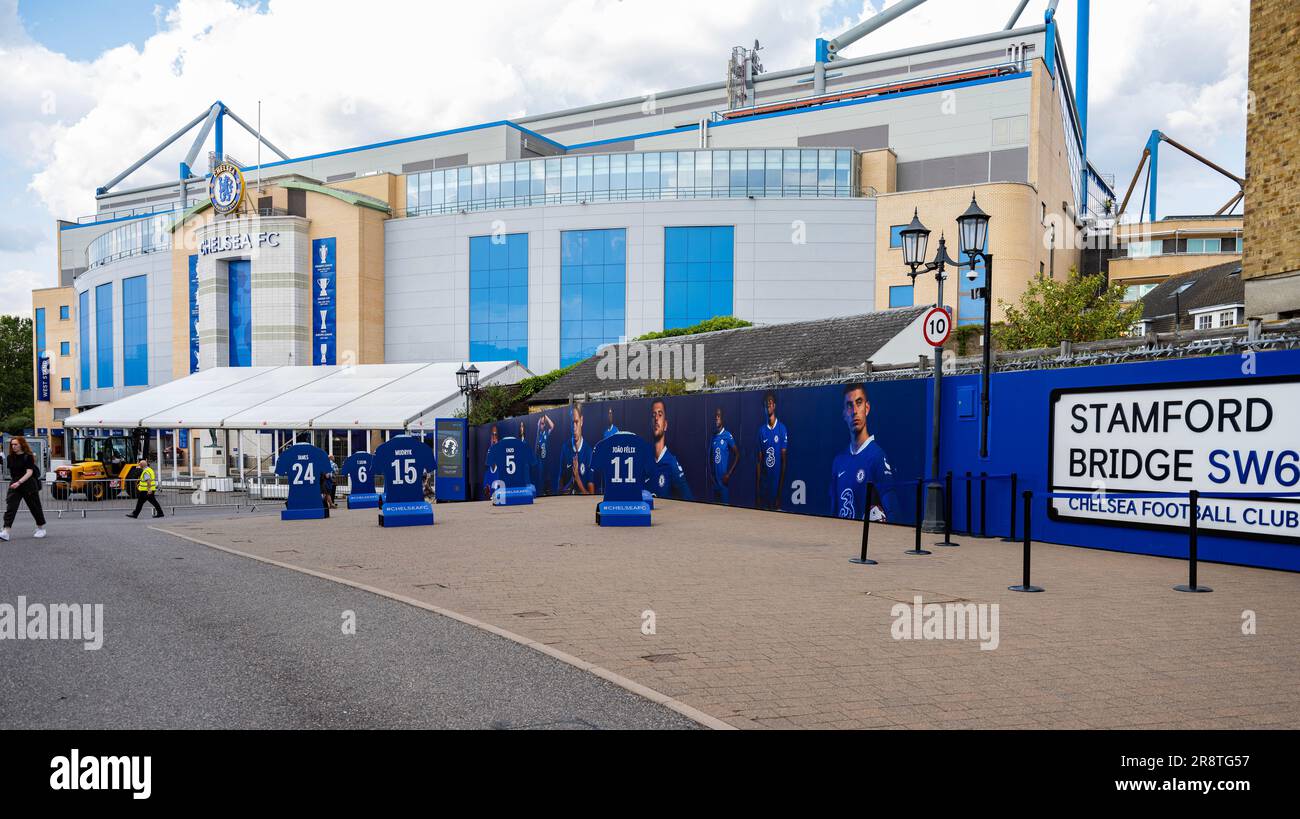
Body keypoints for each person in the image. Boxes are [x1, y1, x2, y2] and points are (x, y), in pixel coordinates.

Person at [831, 383, 899, 522]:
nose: (855, 410)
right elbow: (833, 512)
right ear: (844, 413)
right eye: (849, 405)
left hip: (865, 542)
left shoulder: (877, 457)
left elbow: (893, 512)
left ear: (867, 408)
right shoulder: (838, 461)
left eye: (859, 403)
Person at [2, 436, 47, 540]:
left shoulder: (28, 456)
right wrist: (15, 483)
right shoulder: (10, 457)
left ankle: (41, 529)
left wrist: (19, 482)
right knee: (11, 508)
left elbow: (29, 472)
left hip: (28, 484)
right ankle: (6, 531)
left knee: (35, 507)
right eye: (12, 444)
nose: (13, 446)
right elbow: (13, 473)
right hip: (15, 484)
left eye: (16, 444)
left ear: (21, 444)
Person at [646, 398, 692, 500]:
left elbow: (689, 501)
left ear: (665, 425)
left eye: (660, 414)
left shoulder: (672, 464)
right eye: (654, 415)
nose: (656, 418)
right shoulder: (645, 461)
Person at [755, 391, 788, 511]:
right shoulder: (761, 431)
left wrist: (779, 492)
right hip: (764, 488)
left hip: (776, 489)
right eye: (766, 403)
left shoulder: (782, 429)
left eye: (770, 402)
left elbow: (784, 462)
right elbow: (759, 462)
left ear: (774, 405)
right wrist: (758, 491)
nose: (768, 405)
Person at [558, 404, 595, 495]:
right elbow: (560, 484)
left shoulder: (589, 452)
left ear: (581, 421)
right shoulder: (565, 448)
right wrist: (564, 490)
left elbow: (591, 495)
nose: (574, 428)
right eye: (572, 423)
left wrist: (577, 478)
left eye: (576, 422)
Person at [709, 407, 738, 505]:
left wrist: (728, 474)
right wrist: (711, 475)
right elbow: (710, 458)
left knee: (725, 513)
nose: (716, 418)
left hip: (723, 483)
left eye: (718, 416)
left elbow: (737, 455)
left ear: (722, 418)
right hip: (715, 484)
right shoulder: (713, 436)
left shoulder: (727, 435)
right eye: (715, 416)